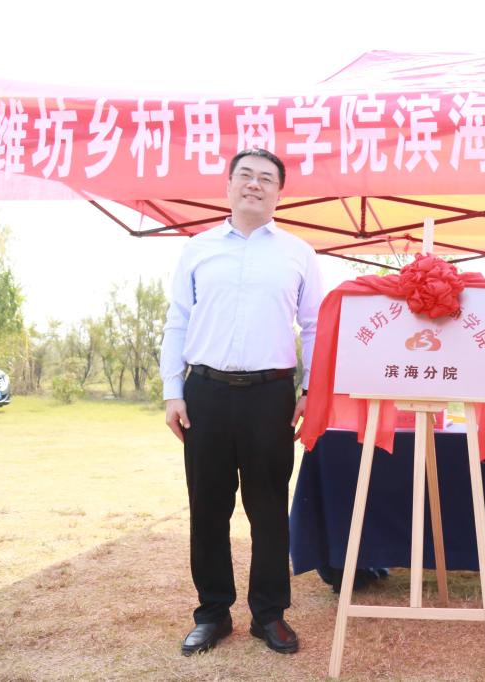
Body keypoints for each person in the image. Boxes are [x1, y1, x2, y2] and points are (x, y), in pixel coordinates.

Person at [160, 148, 324, 656]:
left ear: (279, 192)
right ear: (229, 185)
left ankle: (269, 614)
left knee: (269, 508)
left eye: (266, 179)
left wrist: (310, 390)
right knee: (208, 507)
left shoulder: (298, 253)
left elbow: (316, 327)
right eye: (246, 176)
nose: (255, 184)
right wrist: (172, 391)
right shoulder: (198, 248)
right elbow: (177, 321)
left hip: (271, 396)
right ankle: (212, 614)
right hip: (205, 393)